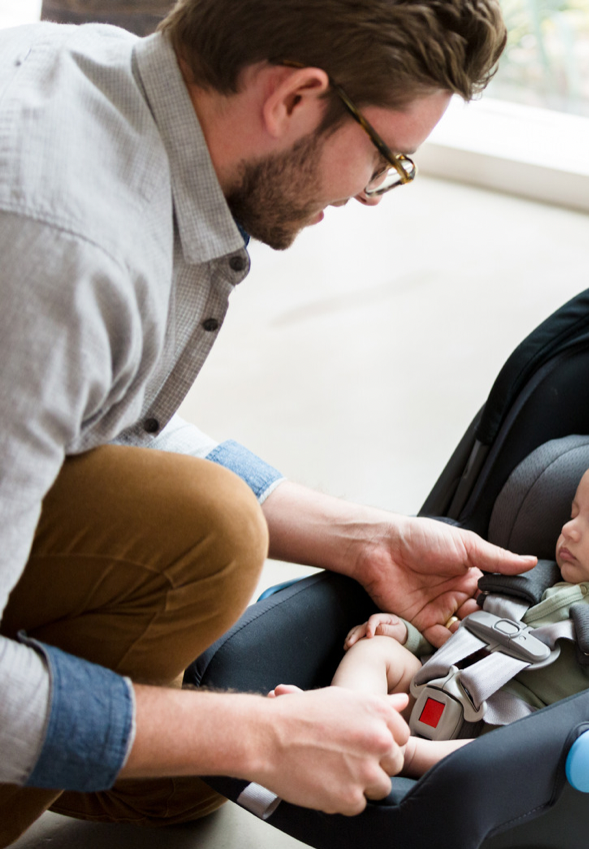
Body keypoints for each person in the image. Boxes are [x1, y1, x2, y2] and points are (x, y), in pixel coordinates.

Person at [0, 0, 532, 843]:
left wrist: (365, 539)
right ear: (292, 98)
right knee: (209, 542)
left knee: (185, 770)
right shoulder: (59, 255)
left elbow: (96, 409)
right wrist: (265, 733)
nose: (372, 194)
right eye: (385, 157)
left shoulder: (93, 77)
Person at [303, 437, 589, 777]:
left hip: (513, 729)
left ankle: (407, 755)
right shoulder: (533, 582)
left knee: (510, 754)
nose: (570, 529)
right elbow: (455, 634)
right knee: (375, 651)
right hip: (443, 681)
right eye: (574, 512)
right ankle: (347, 717)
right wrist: (405, 633)